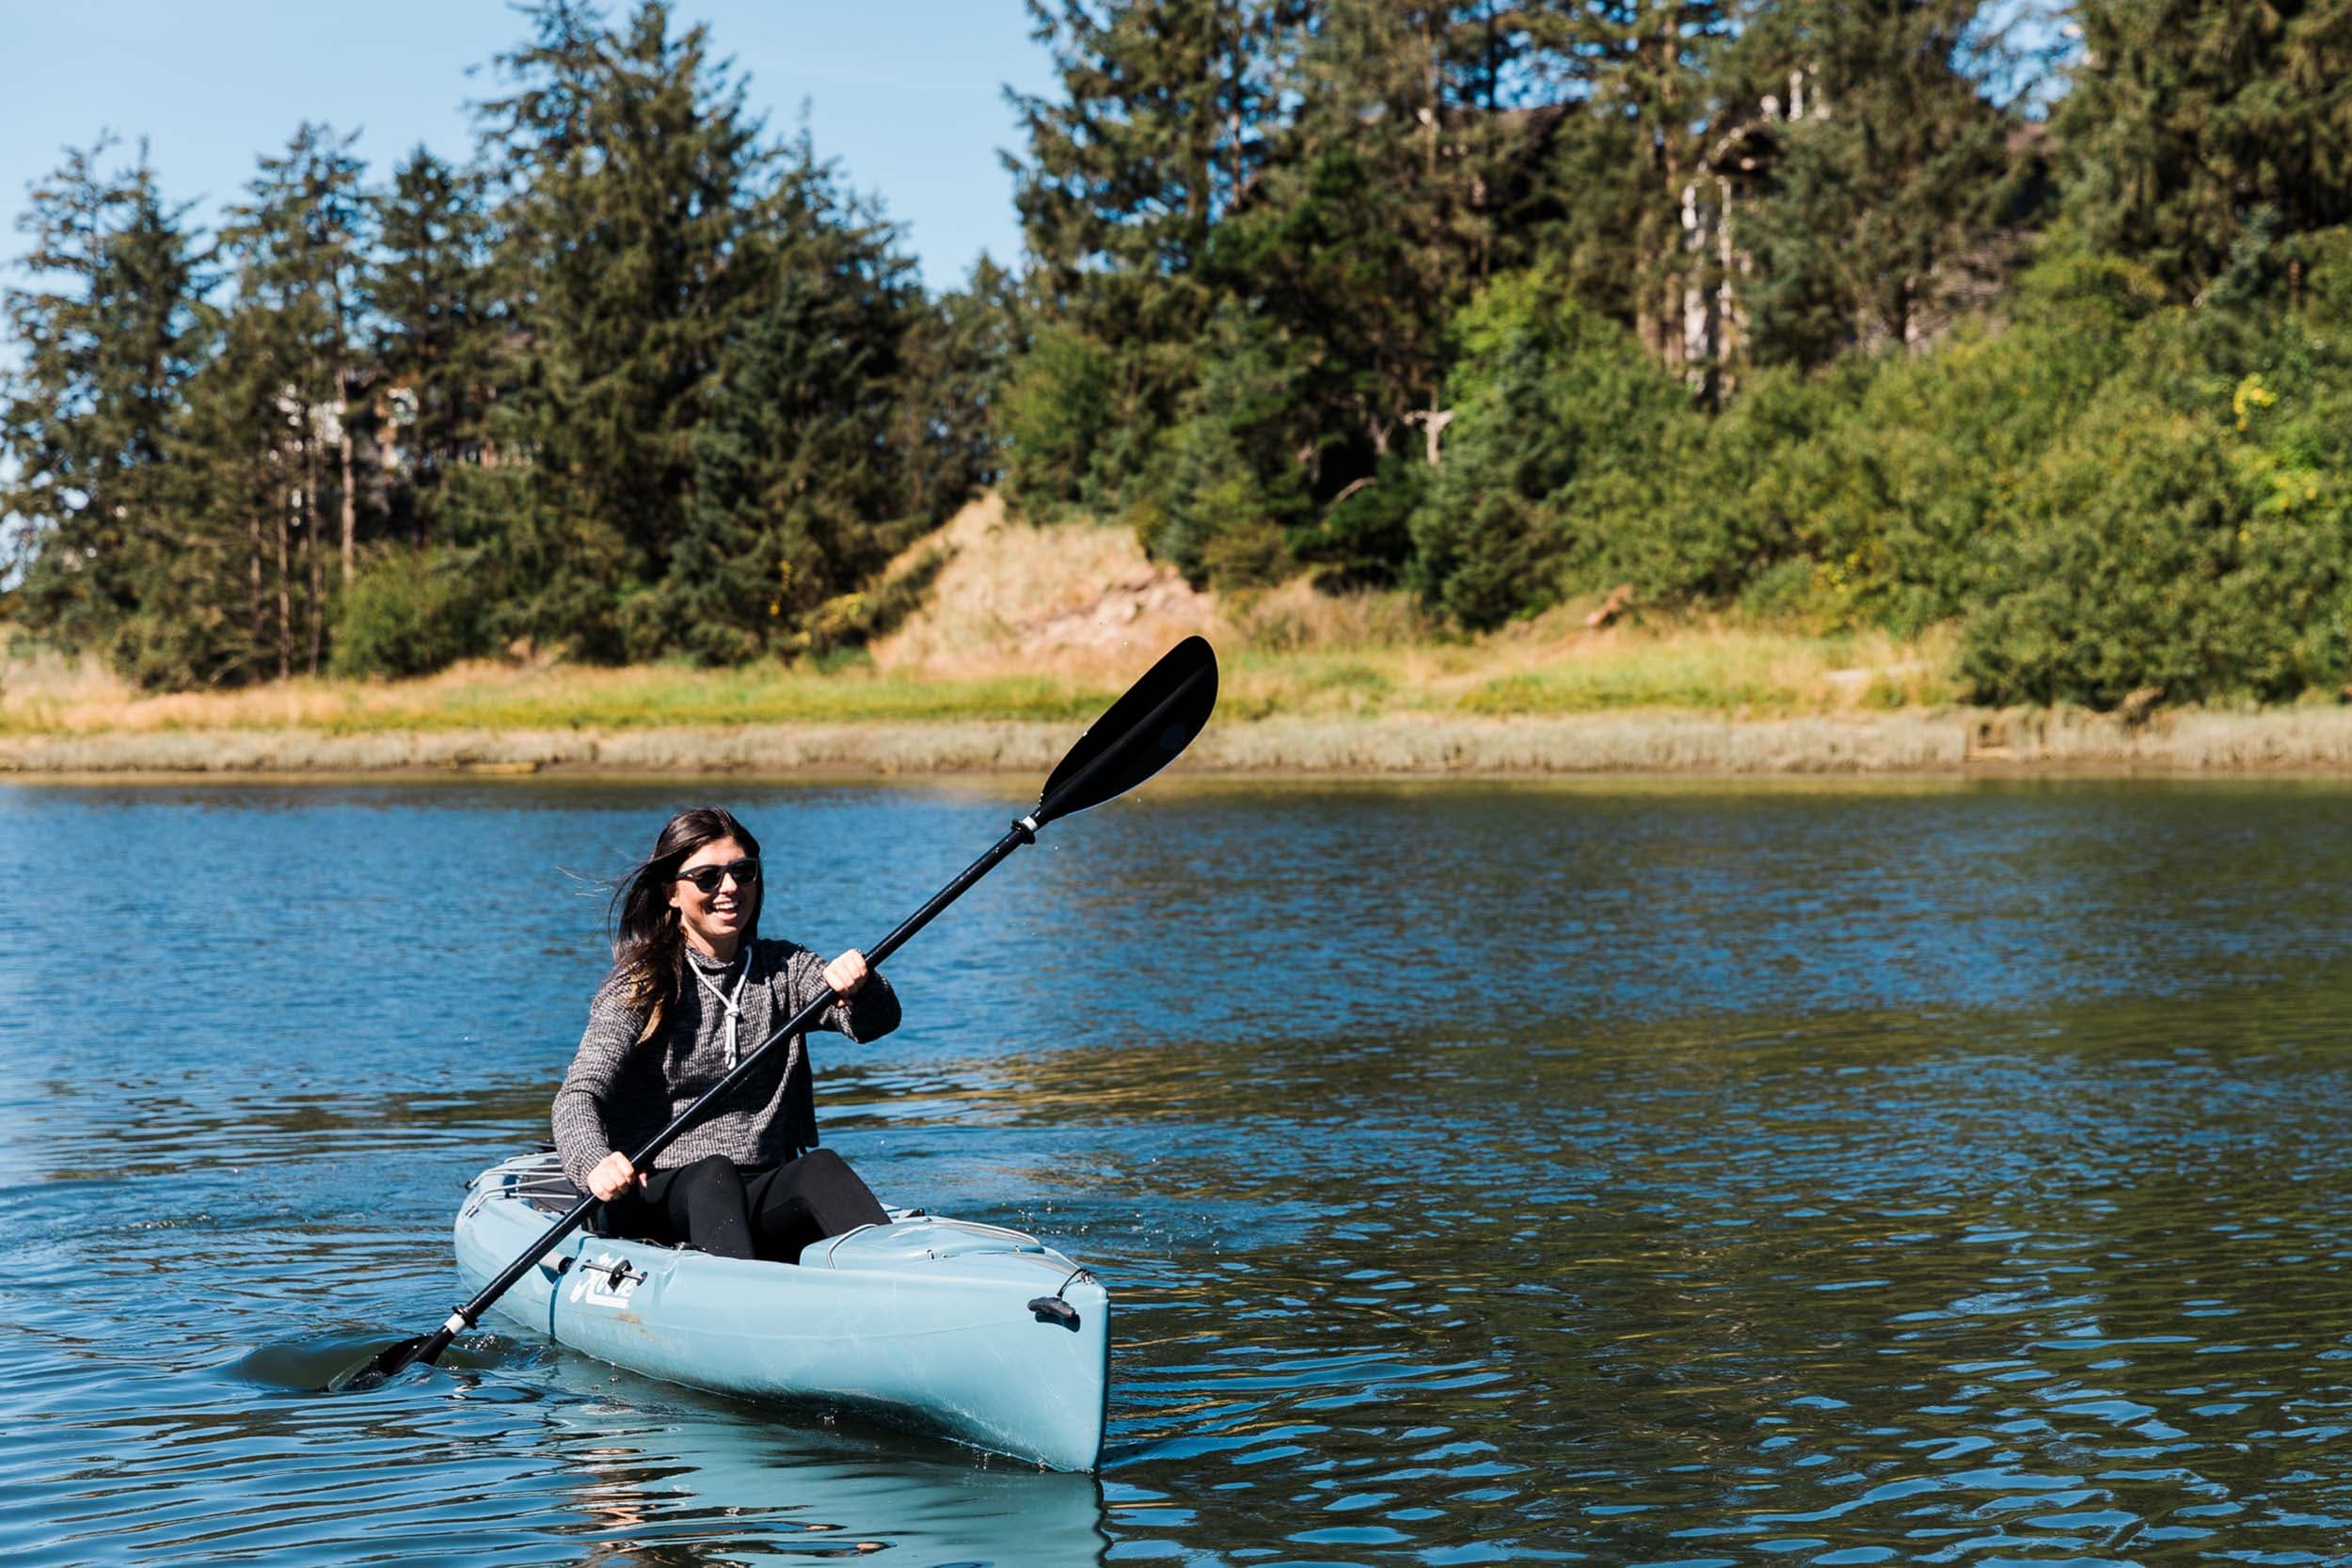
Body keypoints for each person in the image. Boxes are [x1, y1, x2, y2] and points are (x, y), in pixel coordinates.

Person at [552, 805, 901, 1263]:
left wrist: (862, 985)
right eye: (707, 877)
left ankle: (900, 1281)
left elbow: (874, 1023)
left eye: (742, 871)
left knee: (820, 1167)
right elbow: (578, 1095)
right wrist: (594, 1162)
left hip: (758, 1189)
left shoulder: (786, 969)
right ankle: (743, 1306)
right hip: (655, 1193)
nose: (730, 888)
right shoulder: (639, 985)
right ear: (671, 893)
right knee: (713, 1176)